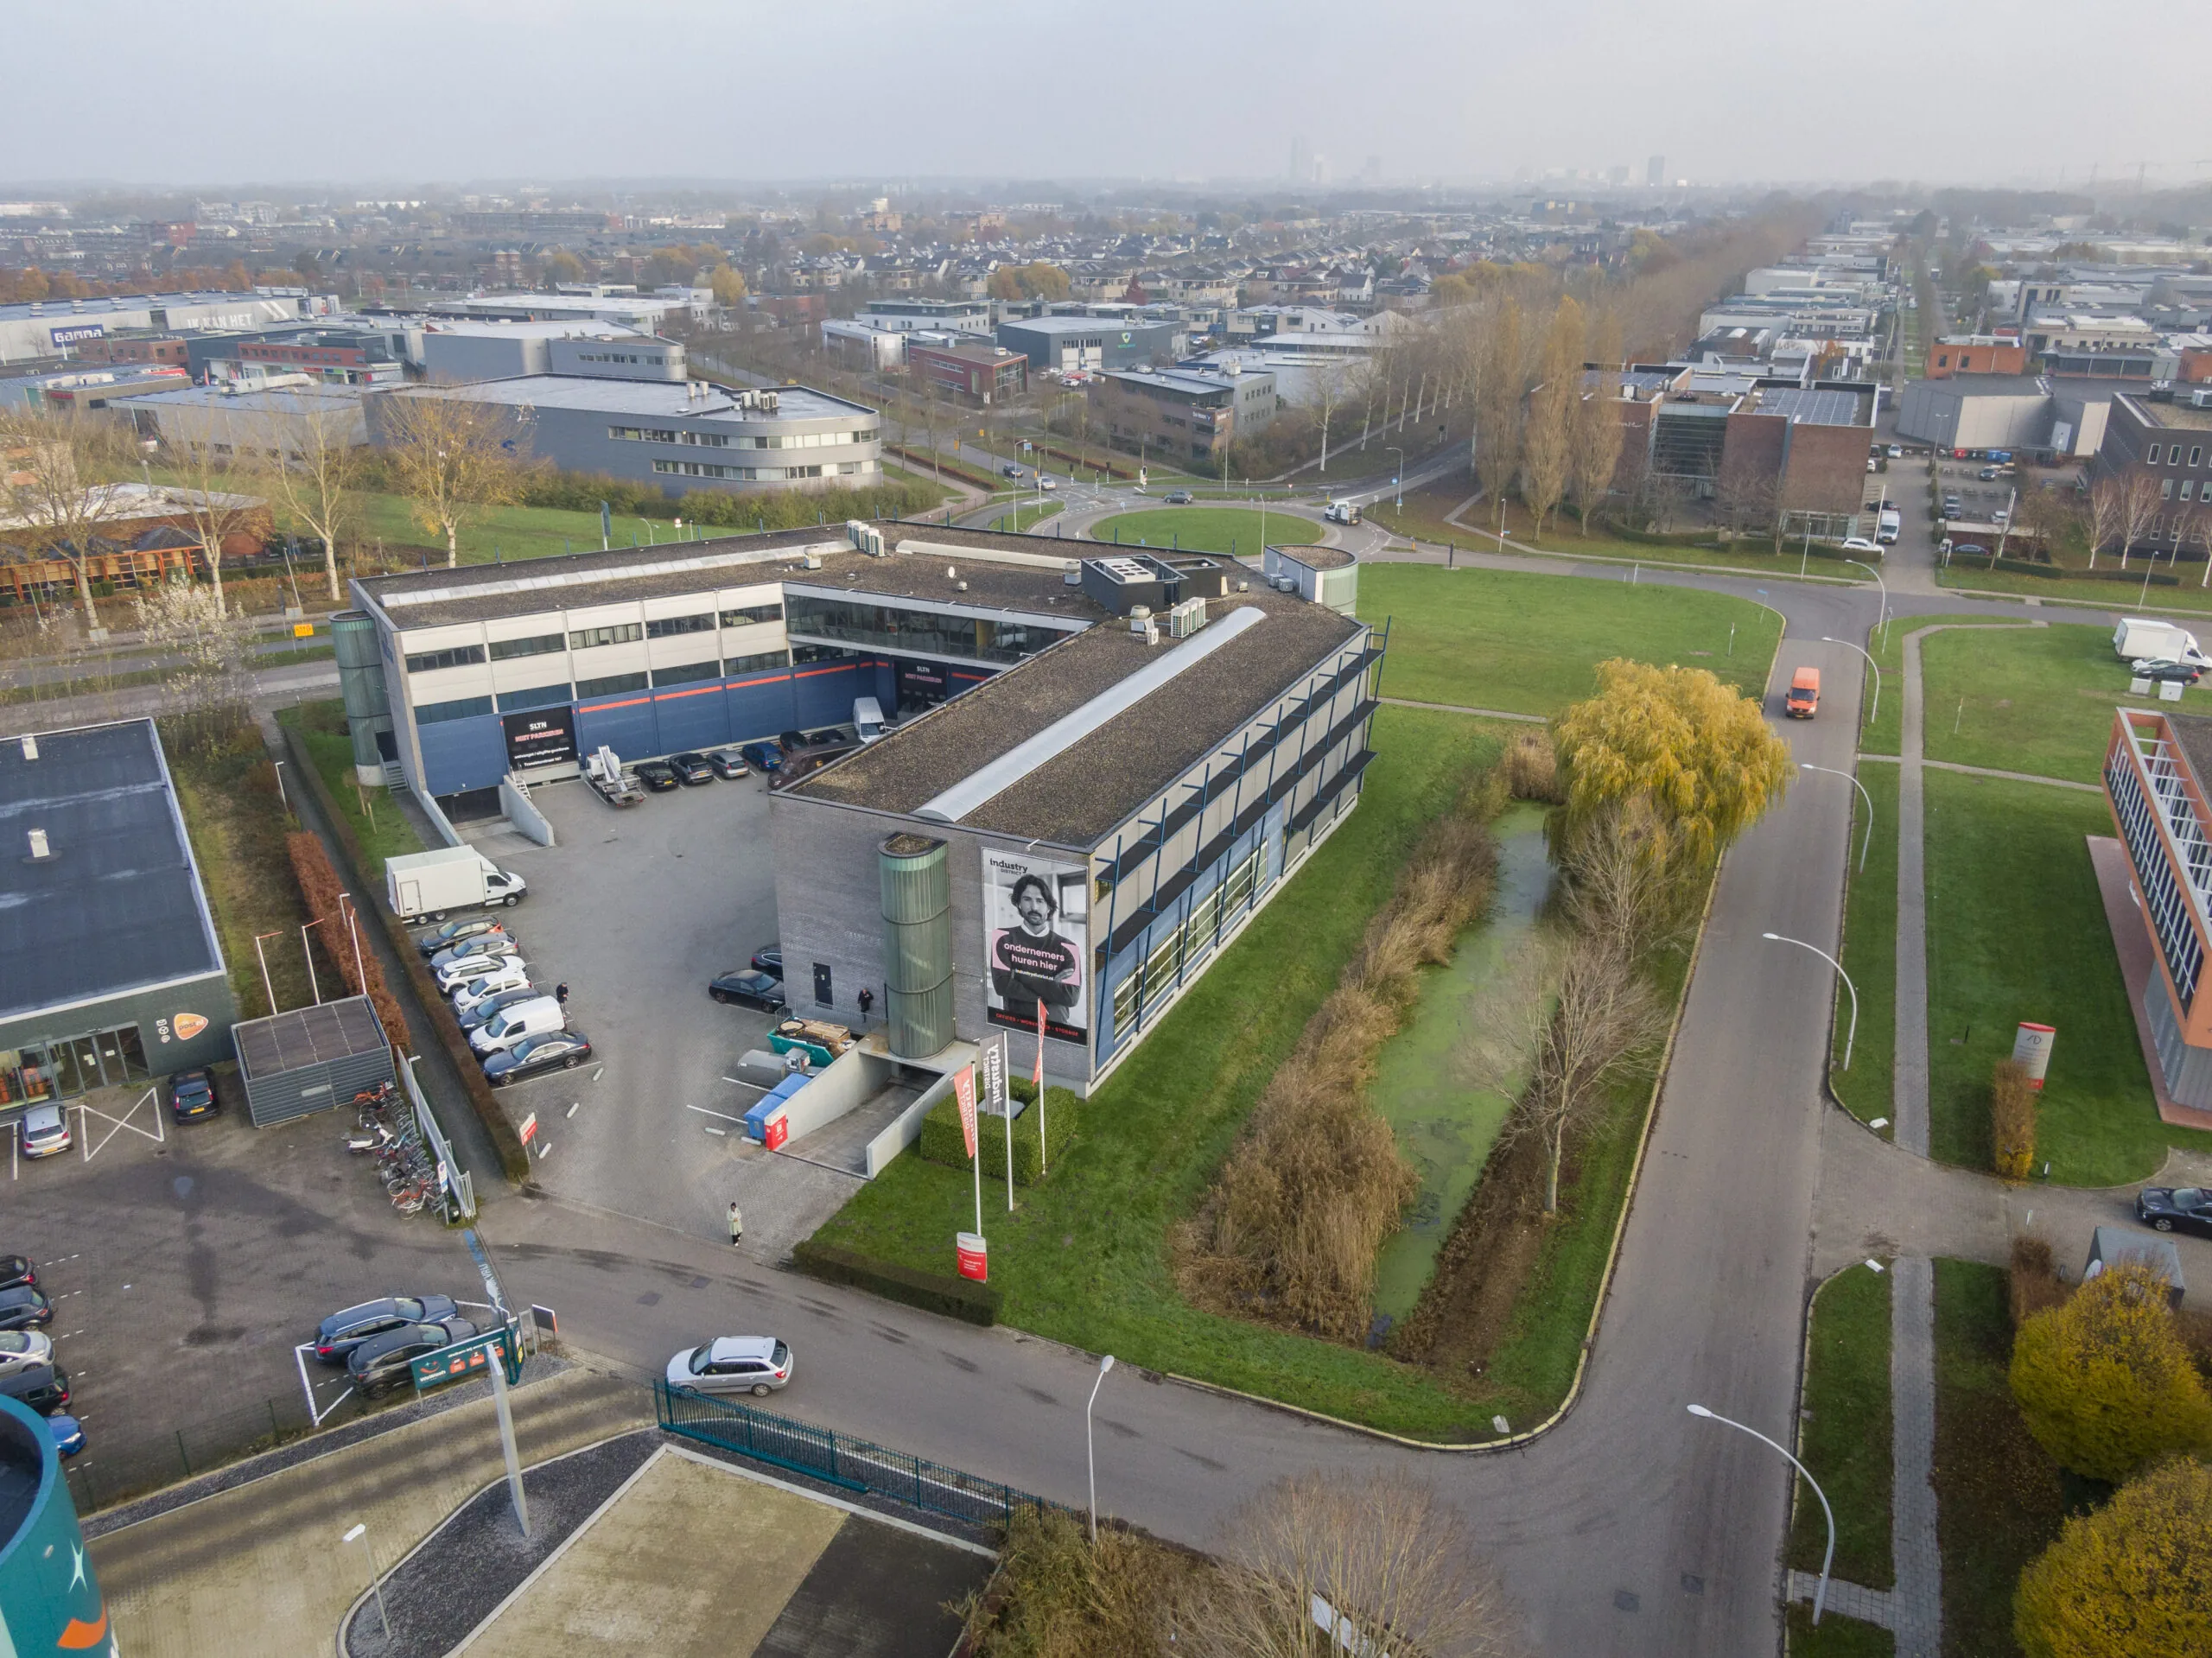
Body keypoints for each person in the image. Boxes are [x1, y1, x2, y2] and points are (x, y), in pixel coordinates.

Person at [990, 873, 1079, 1029]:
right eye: (1027, 900)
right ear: (1018, 903)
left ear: (1049, 907)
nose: (1034, 907)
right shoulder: (1002, 938)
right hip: (1017, 1025)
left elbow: (1071, 997)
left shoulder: (1069, 947)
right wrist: (1052, 984)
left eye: (1040, 901)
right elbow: (1002, 985)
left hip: (1057, 1029)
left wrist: (1019, 976)